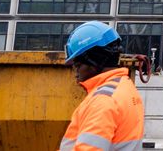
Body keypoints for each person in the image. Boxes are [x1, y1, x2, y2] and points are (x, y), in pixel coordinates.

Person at [58, 21, 145, 151]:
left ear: (93, 61)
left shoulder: (103, 100)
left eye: (77, 65)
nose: (76, 73)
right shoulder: (125, 87)